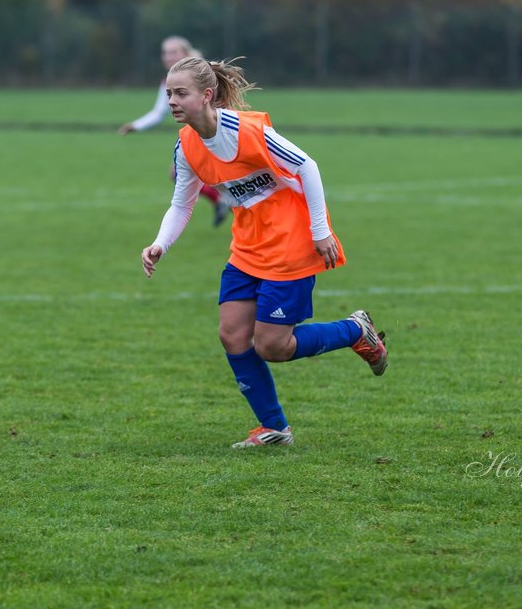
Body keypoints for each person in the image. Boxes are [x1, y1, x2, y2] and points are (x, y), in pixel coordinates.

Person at [139, 56, 388, 448]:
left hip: (291, 239)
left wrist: (320, 230)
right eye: (169, 93)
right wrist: (160, 243)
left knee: (272, 346)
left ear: (206, 96)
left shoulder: (247, 131)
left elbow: (307, 166)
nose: (171, 100)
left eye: (180, 93)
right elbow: (182, 204)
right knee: (233, 335)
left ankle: (356, 331)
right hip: (247, 244)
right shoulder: (186, 145)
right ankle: (274, 427)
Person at [119, 35, 231, 228]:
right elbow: (159, 112)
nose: (168, 56)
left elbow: (223, 101)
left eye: (173, 52)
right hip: (197, 133)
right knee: (180, 173)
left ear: (185, 53)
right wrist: (136, 125)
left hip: (218, 131)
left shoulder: (202, 73)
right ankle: (225, 202)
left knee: (232, 175)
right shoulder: (168, 81)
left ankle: (233, 204)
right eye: (165, 53)